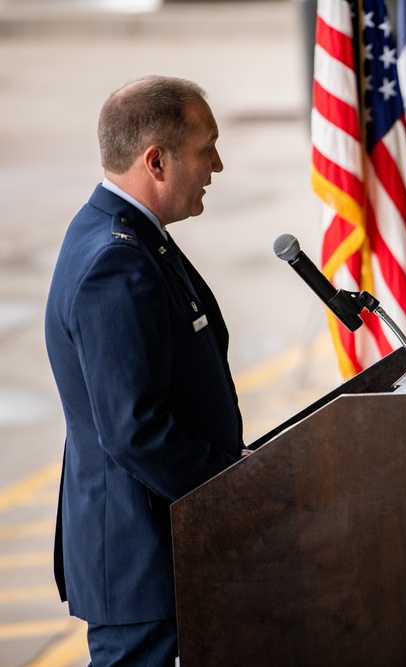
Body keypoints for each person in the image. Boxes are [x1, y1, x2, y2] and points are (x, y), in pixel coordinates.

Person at [44, 75, 244, 665]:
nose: (218, 165)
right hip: (142, 564)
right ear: (156, 161)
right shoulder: (116, 260)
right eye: (206, 147)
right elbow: (136, 432)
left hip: (161, 550)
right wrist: (232, 491)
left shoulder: (132, 238)